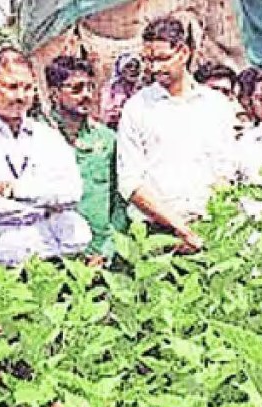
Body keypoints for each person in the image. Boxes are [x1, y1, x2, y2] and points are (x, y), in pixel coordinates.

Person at [0, 47, 91, 266]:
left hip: (50, 256)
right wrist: (45, 207)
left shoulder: (47, 137)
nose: (21, 97)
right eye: (11, 87)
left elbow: (71, 192)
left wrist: (13, 191)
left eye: (28, 88)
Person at [116, 17, 237, 252]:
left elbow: (225, 170)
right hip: (156, 235)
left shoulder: (216, 105)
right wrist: (180, 228)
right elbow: (130, 182)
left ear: (183, 52)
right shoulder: (137, 107)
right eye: (148, 60)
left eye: (162, 59)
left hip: (210, 228)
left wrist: (205, 223)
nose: (153, 68)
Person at [45, 55, 127, 264]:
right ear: (54, 93)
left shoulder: (107, 140)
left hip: (98, 253)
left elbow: (120, 201)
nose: (87, 95)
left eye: (91, 87)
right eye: (77, 89)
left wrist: (108, 249)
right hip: (51, 255)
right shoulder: (38, 138)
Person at [99, 52, 141, 129]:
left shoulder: (141, 90)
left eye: (136, 66)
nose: (133, 69)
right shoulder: (110, 89)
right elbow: (104, 113)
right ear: (121, 69)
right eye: (129, 66)